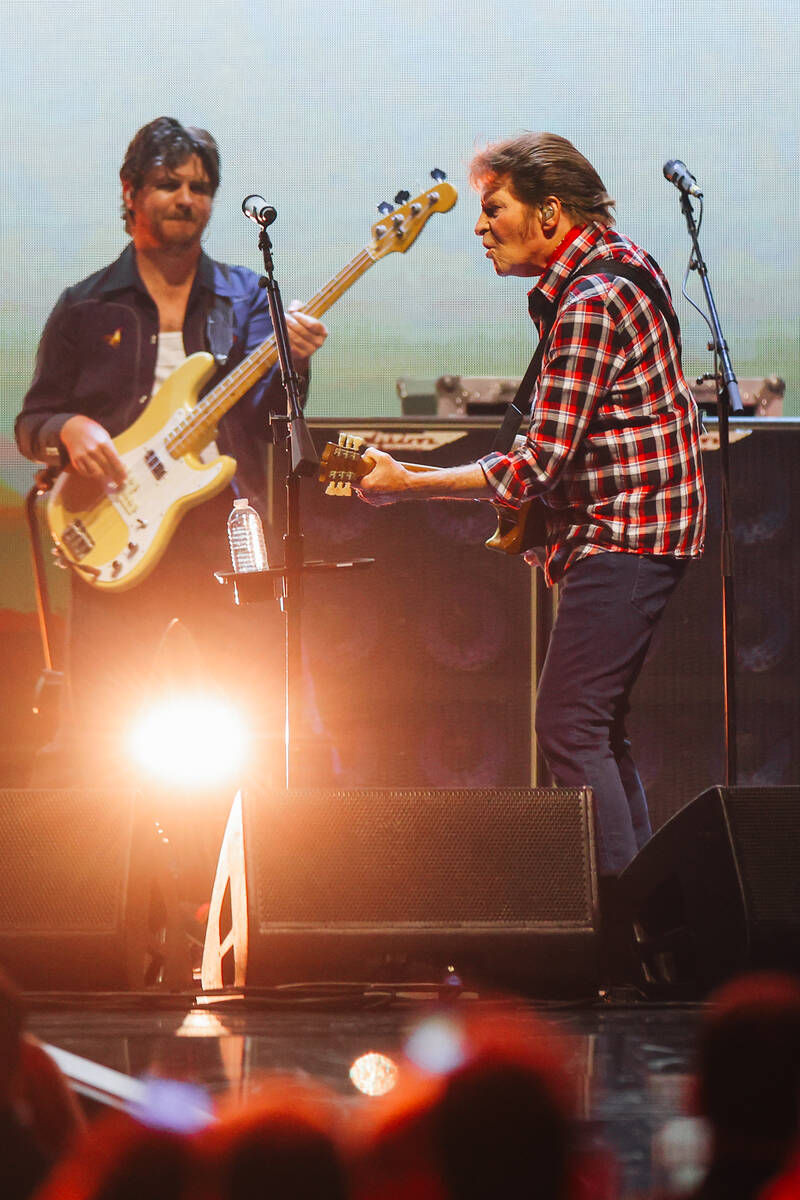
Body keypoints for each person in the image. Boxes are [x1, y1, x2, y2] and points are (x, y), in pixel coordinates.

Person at [355, 132, 706, 891]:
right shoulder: (617, 265)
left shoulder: (590, 300)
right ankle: (648, 914)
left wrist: (408, 484)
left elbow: (538, 464)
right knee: (595, 729)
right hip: (639, 526)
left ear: (548, 212)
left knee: (569, 726)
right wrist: (418, 475)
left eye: (493, 209)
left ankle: (620, 920)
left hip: (627, 531)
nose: (480, 228)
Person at [15, 117, 328, 787]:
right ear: (130, 192)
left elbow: (268, 419)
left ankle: (248, 852)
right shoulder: (84, 305)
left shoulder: (249, 297)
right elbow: (31, 422)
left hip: (222, 533)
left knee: (256, 719)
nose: (187, 198)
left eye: (201, 187)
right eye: (168, 184)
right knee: (99, 738)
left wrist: (293, 363)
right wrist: (68, 430)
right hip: (115, 532)